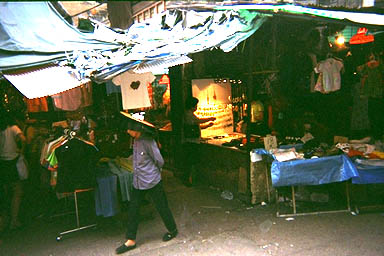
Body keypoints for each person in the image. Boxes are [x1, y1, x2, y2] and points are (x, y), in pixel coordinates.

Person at [115, 112, 178, 254]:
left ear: (136, 129)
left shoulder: (148, 141)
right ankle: (130, 240)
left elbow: (159, 160)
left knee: (162, 206)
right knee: (133, 209)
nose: (127, 131)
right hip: (138, 181)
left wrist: (156, 172)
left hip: (152, 181)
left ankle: (173, 230)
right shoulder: (135, 141)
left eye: (129, 129)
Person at [0, 111, 26, 230]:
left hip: (2, 163)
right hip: (12, 161)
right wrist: (21, 150)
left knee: (6, 193)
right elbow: (23, 139)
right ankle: (14, 220)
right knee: (17, 192)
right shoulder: (13, 128)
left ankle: (5, 221)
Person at [182, 97, 216, 186]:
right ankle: (188, 179)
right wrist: (210, 118)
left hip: (193, 141)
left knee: (191, 161)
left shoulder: (190, 115)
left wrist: (208, 125)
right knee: (190, 161)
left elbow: (196, 125)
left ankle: (191, 178)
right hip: (191, 142)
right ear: (192, 106)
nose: (196, 107)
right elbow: (197, 121)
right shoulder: (188, 114)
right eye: (195, 105)